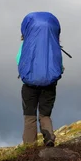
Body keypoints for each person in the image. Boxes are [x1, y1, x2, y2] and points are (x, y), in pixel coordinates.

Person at [16, 11, 64, 147]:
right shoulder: (54, 46)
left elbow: (19, 60)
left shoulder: (26, 46)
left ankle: (29, 146)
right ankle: (49, 137)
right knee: (45, 114)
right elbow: (58, 64)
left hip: (29, 85)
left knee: (29, 116)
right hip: (49, 84)